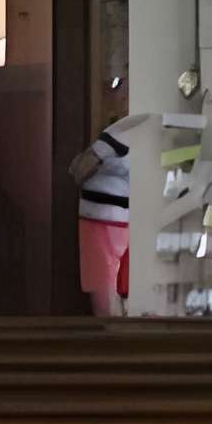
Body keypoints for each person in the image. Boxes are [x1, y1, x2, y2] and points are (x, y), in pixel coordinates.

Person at [73, 122, 132, 314]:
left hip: (107, 221)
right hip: (107, 220)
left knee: (107, 293)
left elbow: (78, 170)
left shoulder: (122, 131)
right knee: (109, 291)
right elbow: (78, 169)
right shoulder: (123, 131)